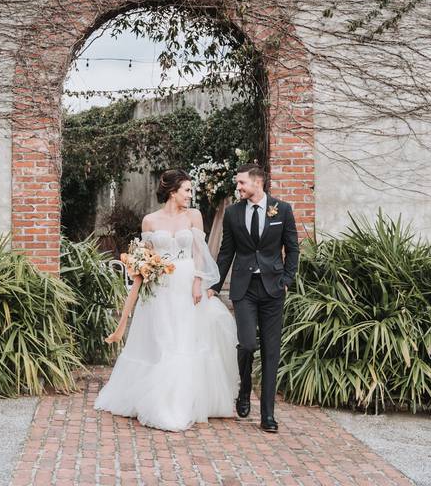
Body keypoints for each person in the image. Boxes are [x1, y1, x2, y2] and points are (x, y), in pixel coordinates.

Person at [94, 169, 239, 431]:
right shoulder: (150, 221)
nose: (190, 195)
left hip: (186, 285)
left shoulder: (194, 216)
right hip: (160, 289)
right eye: (187, 190)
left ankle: (187, 400)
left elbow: (198, 253)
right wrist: (127, 310)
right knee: (163, 340)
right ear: (173, 192)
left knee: (186, 339)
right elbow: (145, 263)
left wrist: (198, 282)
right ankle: (159, 402)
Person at [209, 163, 298, 433]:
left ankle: (268, 415)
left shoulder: (282, 210)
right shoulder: (233, 213)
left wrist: (286, 280)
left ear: (257, 183)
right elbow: (226, 252)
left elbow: (293, 248)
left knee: (272, 351)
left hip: (273, 290)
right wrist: (215, 285)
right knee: (247, 344)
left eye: (241, 183)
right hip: (244, 289)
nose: (238, 187)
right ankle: (244, 388)